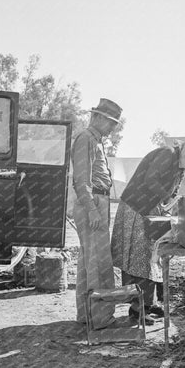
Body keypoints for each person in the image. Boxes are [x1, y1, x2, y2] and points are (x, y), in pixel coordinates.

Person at [111, 143, 185, 325]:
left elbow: (172, 190)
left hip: (149, 209)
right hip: (136, 207)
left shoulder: (180, 166)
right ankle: (137, 309)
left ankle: (148, 304)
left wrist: (173, 200)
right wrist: (168, 199)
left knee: (152, 258)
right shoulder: (167, 154)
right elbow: (150, 179)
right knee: (139, 258)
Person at [71, 98, 122, 330]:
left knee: (88, 262)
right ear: (98, 117)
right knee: (99, 263)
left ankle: (87, 314)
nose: (113, 127)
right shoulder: (86, 139)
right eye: (111, 122)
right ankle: (101, 318)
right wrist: (92, 209)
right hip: (92, 203)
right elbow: (81, 181)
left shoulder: (95, 141)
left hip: (98, 201)